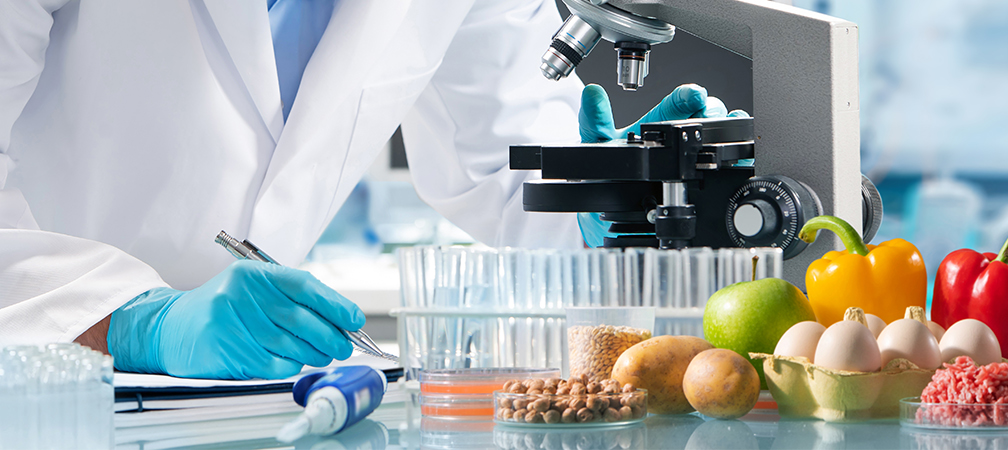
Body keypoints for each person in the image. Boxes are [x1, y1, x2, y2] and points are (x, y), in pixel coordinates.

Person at [0, 0, 739, 379]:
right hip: (38, 380)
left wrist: (598, 193)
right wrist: (133, 323)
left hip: (251, 401)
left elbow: (500, 149)